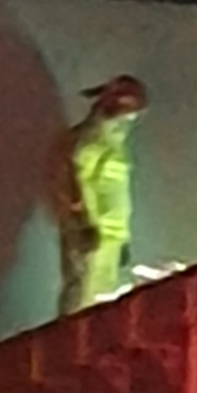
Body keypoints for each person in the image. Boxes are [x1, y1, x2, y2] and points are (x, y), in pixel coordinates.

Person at [53, 75, 148, 314]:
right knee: (81, 295)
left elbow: (116, 193)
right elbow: (75, 180)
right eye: (129, 111)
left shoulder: (114, 142)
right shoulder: (92, 138)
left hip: (110, 235)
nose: (131, 119)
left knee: (101, 299)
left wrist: (122, 237)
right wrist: (83, 221)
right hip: (92, 231)